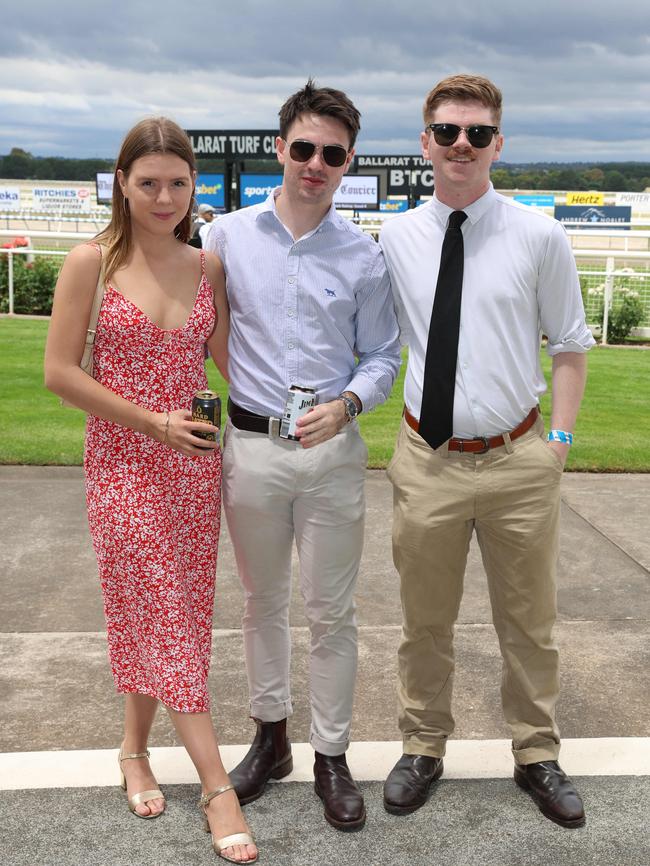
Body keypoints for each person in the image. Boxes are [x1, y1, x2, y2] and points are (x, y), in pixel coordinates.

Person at [379, 73, 595, 829]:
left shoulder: (540, 235)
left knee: (530, 622)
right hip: (427, 459)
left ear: (498, 142)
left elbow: (570, 345)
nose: (461, 144)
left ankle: (537, 752)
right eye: (447, 131)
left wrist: (558, 444)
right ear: (426, 142)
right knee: (423, 622)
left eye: (476, 132)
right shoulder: (398, 238)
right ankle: (422, 746)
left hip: (519, 462)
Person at [44, 117, 257, 864]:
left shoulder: (209, 268)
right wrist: (149, 423)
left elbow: (230, 361)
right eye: (148, 183)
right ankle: (217, 786)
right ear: (121, 184)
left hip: (195, 466)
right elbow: (61, 373)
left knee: (171, 615)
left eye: (177, 182)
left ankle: (134, 751)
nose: (164, 197)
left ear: (193, 182)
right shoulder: (89, 264)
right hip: (123, 462)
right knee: (163, 609)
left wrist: (307, 402)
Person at [205, 79, 400, 832]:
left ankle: (332, 755)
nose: (315, 163)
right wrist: (244, 393)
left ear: (347, 162)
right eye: (304, 148)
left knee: (332, 612)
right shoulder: (226, 234)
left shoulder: (362, 253)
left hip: (331, 452)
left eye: (333, 154)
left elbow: (383, 354)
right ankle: (269, 739)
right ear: (279, 147)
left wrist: (347, 404)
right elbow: (211, 325)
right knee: (261, 603)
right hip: (251, 448)